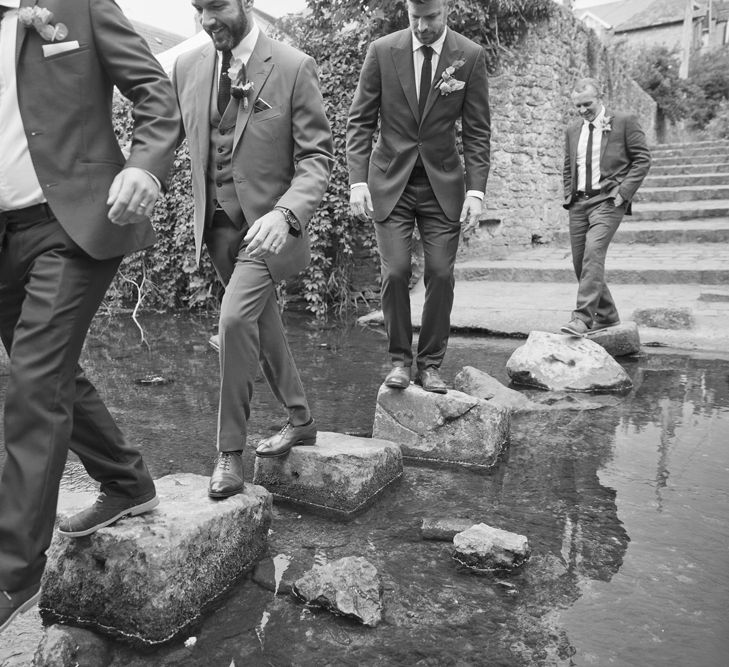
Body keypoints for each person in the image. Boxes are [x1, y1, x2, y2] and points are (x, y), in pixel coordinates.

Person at [0, 0, 179, 634]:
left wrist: (143, 165)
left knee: (33, 384)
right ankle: (127, 480)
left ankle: (12, 576)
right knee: (48, 374)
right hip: (4, 234)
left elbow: (157, 97)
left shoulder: (80, 5)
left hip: (74, 222)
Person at [173, 0, 333, 498]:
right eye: (198, 9)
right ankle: (301, 418)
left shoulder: (292, 65)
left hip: (266, 228)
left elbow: (316, 158)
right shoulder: (186, 66)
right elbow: (164, 135)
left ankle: (229, 454)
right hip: (217, 228)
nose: (207, 20)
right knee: (263, 323)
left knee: (235, 321)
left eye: (216, 6)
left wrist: (287, 214)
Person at [346, 0, 490, 394]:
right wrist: (358, 181)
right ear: (407, 12)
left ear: (447, 12)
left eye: (431, 18)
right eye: (415, 18)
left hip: (443, 184)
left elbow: (477, 131)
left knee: (441, 274)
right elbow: (360, 121)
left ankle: (430, 365)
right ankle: (398, 361)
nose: (423, 27)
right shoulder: (382, 51)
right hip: (390, 181)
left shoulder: (469, 56)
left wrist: (476, 191)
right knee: (394, 272)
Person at [560, 78, 651, 337]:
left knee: (593, 252)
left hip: (608, 200)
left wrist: (623, 193)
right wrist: (569, 193)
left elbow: (642, 159)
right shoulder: (572, 130)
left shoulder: (624, 121)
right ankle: (608, 315)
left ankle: (582, 318)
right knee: (580, 263)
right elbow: (570, 166)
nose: (582, 110)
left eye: (587, 104)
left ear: (601, 98)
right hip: (579, 203)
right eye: (577, 106)